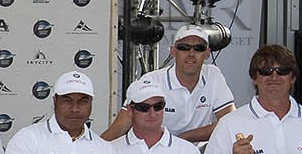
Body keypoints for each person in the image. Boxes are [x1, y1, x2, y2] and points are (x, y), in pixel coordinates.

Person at [100, 24, 235, 144]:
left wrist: (184, 138)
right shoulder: (153, 80)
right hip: (157, 152)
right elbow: (121, 126)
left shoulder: (214, 75)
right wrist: (93, 151)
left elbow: (229, 123)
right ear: (173, 51)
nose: (191, 53)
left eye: (198, 48)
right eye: (184, 47)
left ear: (207, 53)